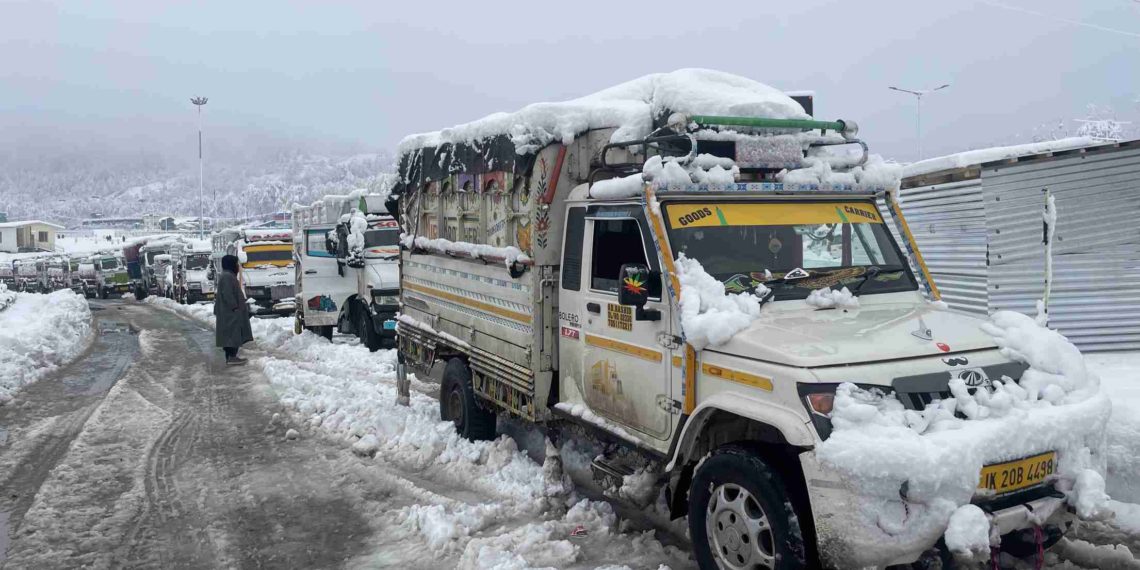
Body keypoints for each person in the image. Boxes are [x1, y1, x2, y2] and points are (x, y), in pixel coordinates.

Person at [214, 254, 253, 365]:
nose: (237, 266)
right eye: (236, 264)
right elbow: (227, 294)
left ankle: (231, 356)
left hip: (229, 312)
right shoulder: (227, 277)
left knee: (231, 334)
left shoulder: (227, 275)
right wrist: (235, 307)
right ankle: (231, 356)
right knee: (232, 334)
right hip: (230, 313)